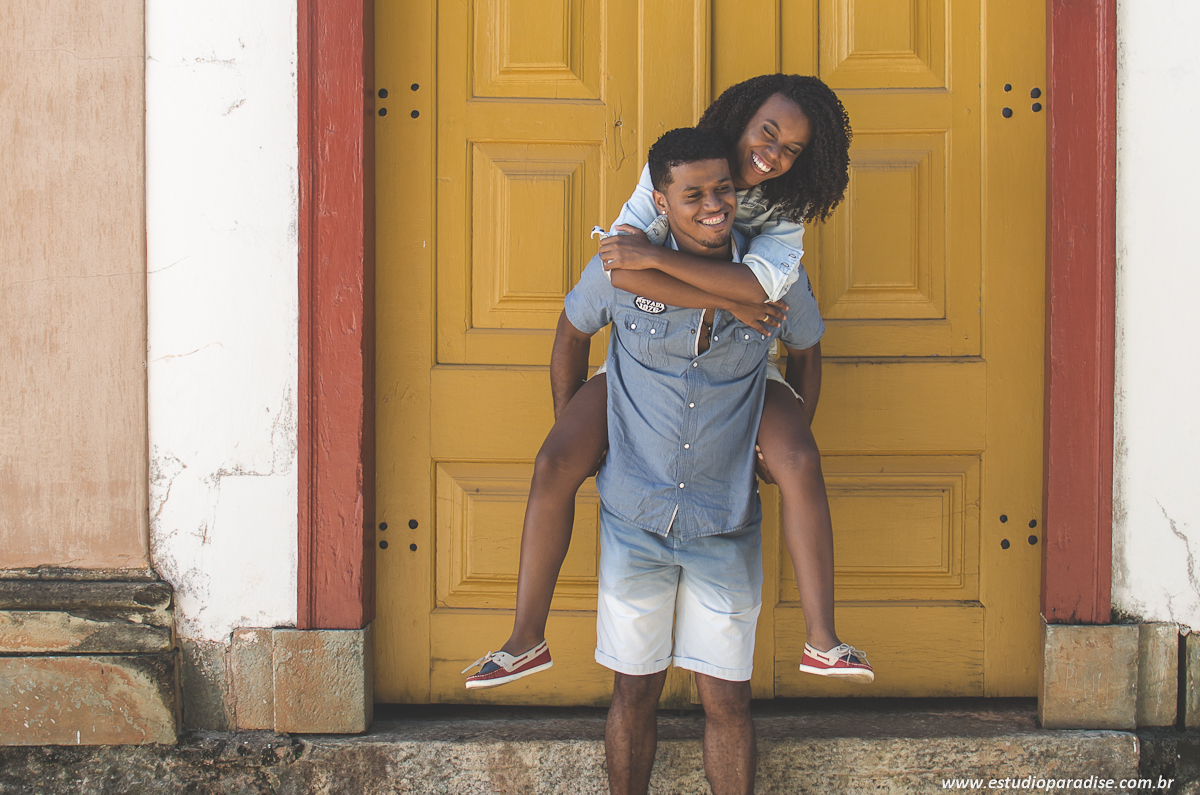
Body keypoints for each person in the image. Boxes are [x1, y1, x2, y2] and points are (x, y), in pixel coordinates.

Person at [462, 74, 872, 691]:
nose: (774, 154)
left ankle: (823, 640)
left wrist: (722, 293)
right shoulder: (673, 171)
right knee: (554, 461)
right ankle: (525, 639)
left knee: (797, 456)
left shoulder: (783, 215)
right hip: (640, 368)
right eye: (768, 133)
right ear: (741, 121)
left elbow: (765, 295)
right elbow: (620, 270)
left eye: (791, 149)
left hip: (741, 371)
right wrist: (716, 297)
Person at [587, 128, 820, 795]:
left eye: (724, 189)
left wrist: (785, 435)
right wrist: (586, 427)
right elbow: (573, 327)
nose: (713, 204)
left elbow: (807, 345)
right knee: (633, 693)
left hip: (725, 521)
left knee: (728, 703)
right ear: (663, 200)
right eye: (694, 193)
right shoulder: (627, 262)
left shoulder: (775, 271)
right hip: (636, 520)